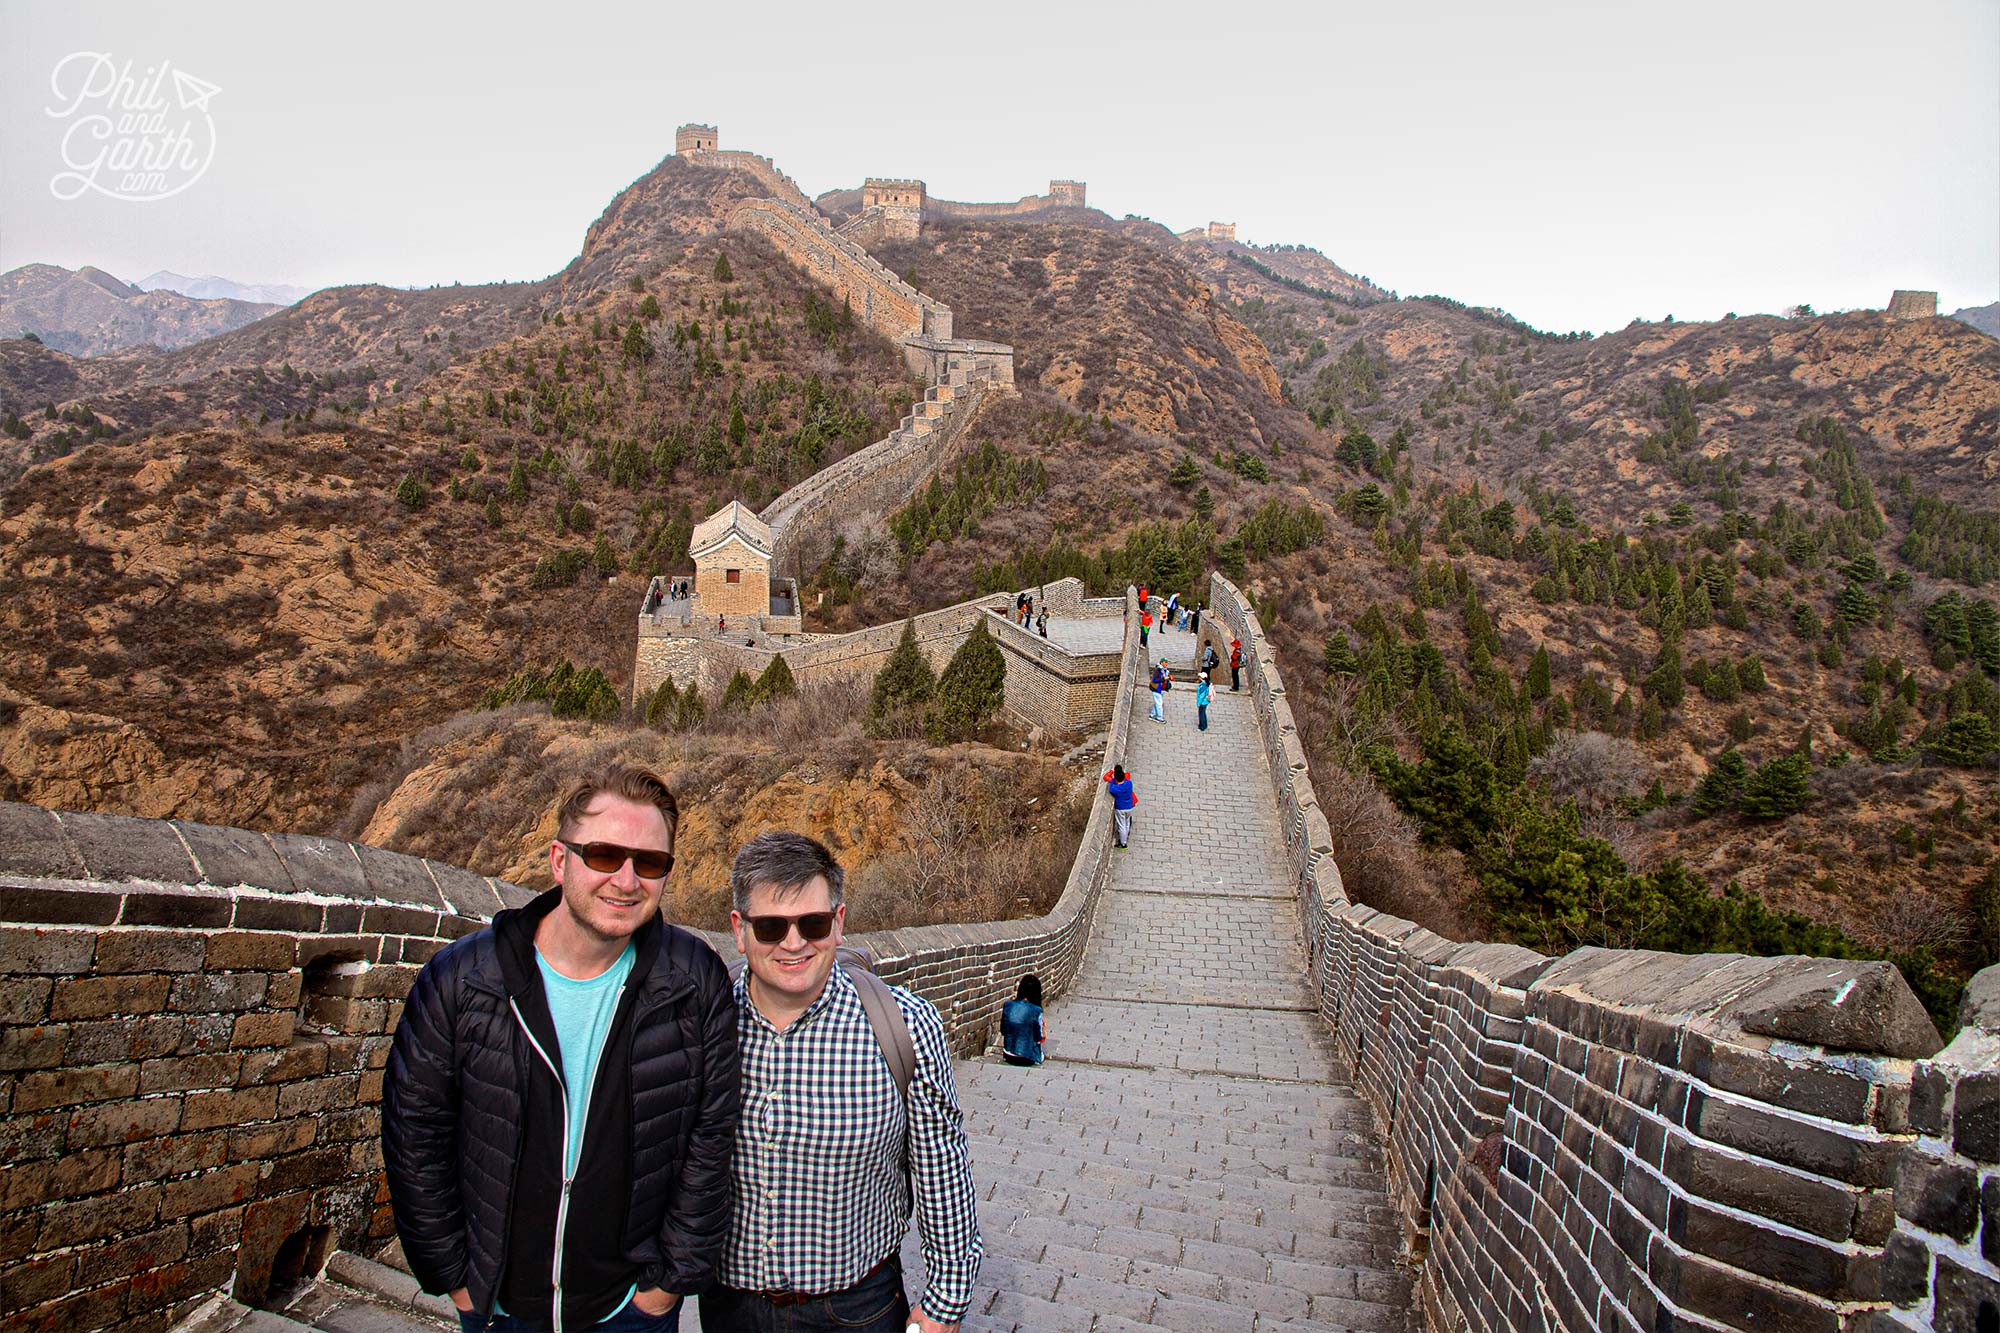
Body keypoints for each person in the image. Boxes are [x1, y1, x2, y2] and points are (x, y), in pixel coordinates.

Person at [384, 765, 739, 1333]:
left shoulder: (693, 980)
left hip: (631, 1307)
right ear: (559, 860)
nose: (627, 880)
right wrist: (454, 1276)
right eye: (603, 855)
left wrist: (668, 1284)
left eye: (650, 863)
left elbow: (712, 1135)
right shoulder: (465, 979)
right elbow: (416, 1131)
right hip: (497, 1306)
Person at [706, 833, 980, 1333]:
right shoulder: (705, 1022)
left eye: (812, 923)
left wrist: (946, 1300)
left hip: (856, 1308)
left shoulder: (903, 1024)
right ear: (739, 931)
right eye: (770, 927)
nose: (793, 943)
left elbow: (941, 1167)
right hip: (729, 1308)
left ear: (838, 922)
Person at [1000, 975, 1045, 1067]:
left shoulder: (1008, 1005)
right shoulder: (1036, 1010)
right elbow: (1038, 1037)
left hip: (1008, 1054)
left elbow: (1003, 1030)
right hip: (1026, 1059)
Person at [1102, 765, 1136, 848]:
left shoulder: (1115, 788)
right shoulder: (1129, 783)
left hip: (1120, 808)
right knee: (1127, 822)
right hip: (1129, 807)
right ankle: (1126, 837)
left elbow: (1111, 786)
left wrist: (1112, 774)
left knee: (1121, 826)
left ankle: (1123, 843)